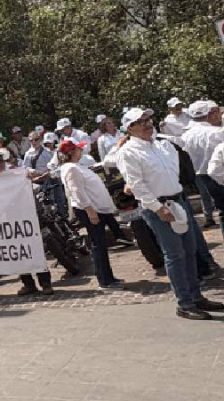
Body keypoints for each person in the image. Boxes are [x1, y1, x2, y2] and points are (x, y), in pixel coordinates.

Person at [115, 107, 223, 320]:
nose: (147, 123)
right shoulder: (129, 152)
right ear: (130, 128)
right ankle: (184, 302)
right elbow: (137, 185)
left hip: (178, 200)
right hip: (159, 207)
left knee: (190, 250)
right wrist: (158, 207)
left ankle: (195, 296)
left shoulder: (161, 145)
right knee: (175, 254)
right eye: (141, 121)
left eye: (148, 119)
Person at [0, 150, 54, 296]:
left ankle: (46, 283)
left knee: (34, 249)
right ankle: (28, 284)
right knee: (17, 253)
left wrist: (38, 174)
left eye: (0, 160)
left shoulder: (15, 172)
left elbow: (30, 172)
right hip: (7, 220)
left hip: (24, 216)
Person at [58, 139, 123, 290]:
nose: (81, 151)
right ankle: (105, 280)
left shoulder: (76, 166)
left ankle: (108, 277)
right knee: (98, 245)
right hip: (90, 210)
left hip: (96, 209)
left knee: (100, 245)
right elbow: (77, 192)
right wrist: (90, 211)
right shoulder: (71, 169)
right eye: (78, 149)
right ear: (72, 152)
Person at [173, 100, 224, 229]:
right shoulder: (215, 132)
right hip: (219, 173)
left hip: (200, 175)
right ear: (208, 114)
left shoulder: (186, 135)